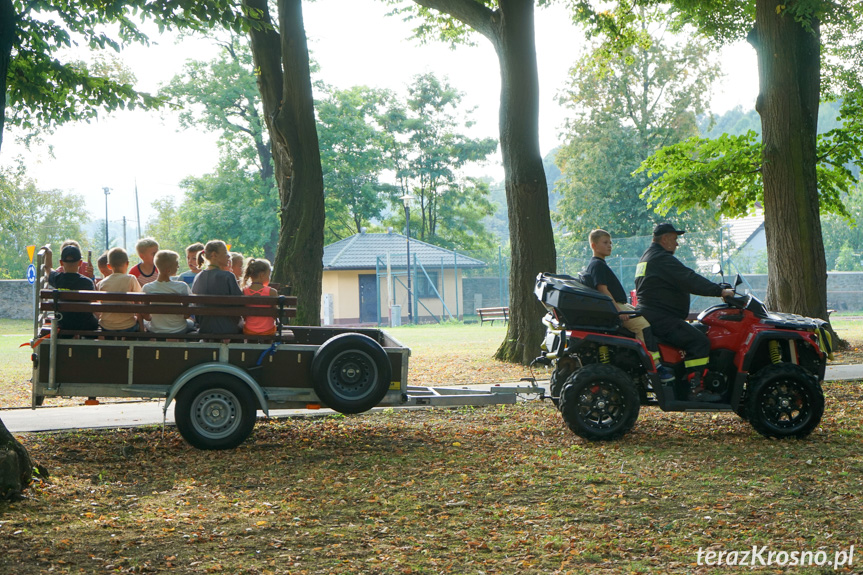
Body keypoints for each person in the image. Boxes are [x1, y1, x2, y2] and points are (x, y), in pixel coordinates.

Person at [634, 223, 734, 402]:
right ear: (664, 239)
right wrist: (719, 291)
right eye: (674, 239)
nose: (677, 244)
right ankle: (695, 389)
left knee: (701, 330)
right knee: (699, 342)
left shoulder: (648, 256)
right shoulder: (661, 258)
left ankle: (687, 378)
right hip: (660, 316)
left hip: (653, 314)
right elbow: (689, 278)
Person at [583, 229, 674, 383]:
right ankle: (655, 367)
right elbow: (603, 290)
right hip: (616, 306)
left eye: (610, 242)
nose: (609, 245)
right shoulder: (597, 265)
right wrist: (618, 311)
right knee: (643, 326)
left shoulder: (598, 264)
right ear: (594, 245)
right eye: (605, 243)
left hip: (620, 304)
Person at [41, 244, 99, 334]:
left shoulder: (57, 279)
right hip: (86, 324)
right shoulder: (87, 282)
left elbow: (48, 268)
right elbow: (94, 302)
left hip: (64, 323)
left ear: (61, 262)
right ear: (80, 263)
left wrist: (49, 253)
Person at [192, 240, 242, 334]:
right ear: (214, 255)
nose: (229, 256)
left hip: (204, 328)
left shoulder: (198, 277)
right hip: (227, 328)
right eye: (225, 253)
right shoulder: (228, 276)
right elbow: (240, 304)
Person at [143, 250, 195, 334]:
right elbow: (187, 315)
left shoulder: (147, 288)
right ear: (168, 270)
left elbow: (146, 317)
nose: (178, 267)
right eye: (176, 264)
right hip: (179, 328)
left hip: (155, 329)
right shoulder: (182, 286)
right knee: (191, 323)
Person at [98, 247, 143, 332]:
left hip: (107, 326)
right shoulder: (131, 279)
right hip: (128, 326)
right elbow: (139, 300)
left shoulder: (102, 283)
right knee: (134, 322)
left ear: (109, 266)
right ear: (127, 263)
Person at [242, 258, 278, 336]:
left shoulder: (244, 291)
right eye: (269, 275)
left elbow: (244, 315)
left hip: (249, 330)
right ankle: (268, 348)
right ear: (262, 275)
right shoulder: (272, 292)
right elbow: (275, 314)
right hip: (268, 330)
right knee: (268, 332)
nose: (269, 278)